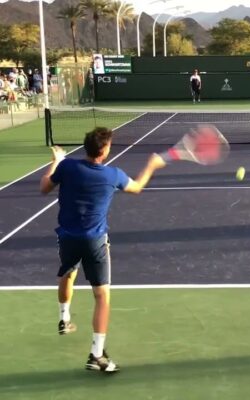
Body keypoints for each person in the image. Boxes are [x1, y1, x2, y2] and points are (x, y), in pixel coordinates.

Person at [39, 127, 166, 373]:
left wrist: (56, 161)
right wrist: (152, 165)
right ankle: (96, 355)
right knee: (102, 296)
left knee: (67, 272)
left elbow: (44, 187)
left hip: (67, 237)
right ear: (105, 150)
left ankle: (64, 319)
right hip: (94, 241)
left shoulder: (67, 167)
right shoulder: (112, 175)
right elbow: (137, 187)